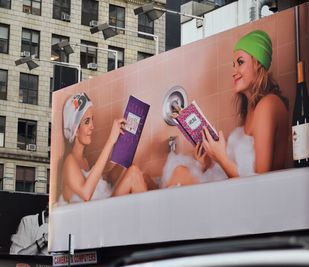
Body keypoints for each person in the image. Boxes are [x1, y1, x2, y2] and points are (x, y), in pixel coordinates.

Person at [161, 30, 289, 187]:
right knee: (180, 173)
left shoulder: (268, 105)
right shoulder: (252, 108)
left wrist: (221, 157)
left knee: (181, 174)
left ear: (258, 63)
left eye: (240, 62)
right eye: (233, 65)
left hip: (264, 198)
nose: (234, 72)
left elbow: (261, 184)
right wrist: (210, 160)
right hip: (240, 194)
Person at [60, 92, 147, 204]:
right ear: (75, 129)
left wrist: (127, 149)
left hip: (101, 212)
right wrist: (111, 140)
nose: (92, 126)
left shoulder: (84, 161)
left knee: (140, 173)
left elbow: (107, 180)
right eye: (87, 122)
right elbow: (86, 194)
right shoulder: (69, 162)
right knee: (133, 174)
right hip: (95, 218)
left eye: (92, 120)